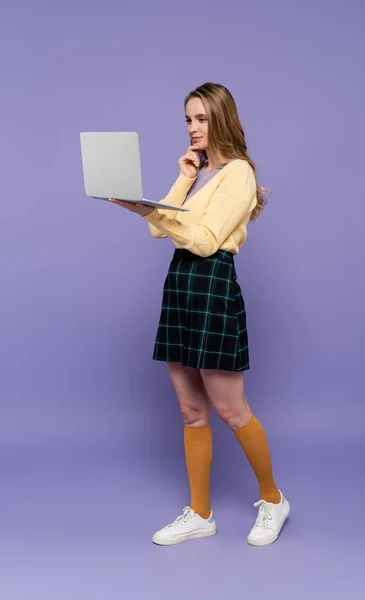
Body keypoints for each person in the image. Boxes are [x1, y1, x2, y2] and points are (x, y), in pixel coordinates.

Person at [109, 82, 290, 547]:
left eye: (201, 119)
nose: (192, 128)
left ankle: (273, 500)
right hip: (182, 284)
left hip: (212, 284)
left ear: (222, 119)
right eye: (188, 120)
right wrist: (178, 183)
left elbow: (207, 241)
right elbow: (159, 233)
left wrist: (154, 213)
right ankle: (201, 513)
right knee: (192, 411)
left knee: (231, 409)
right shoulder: (203, 173)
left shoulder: (238, 174)